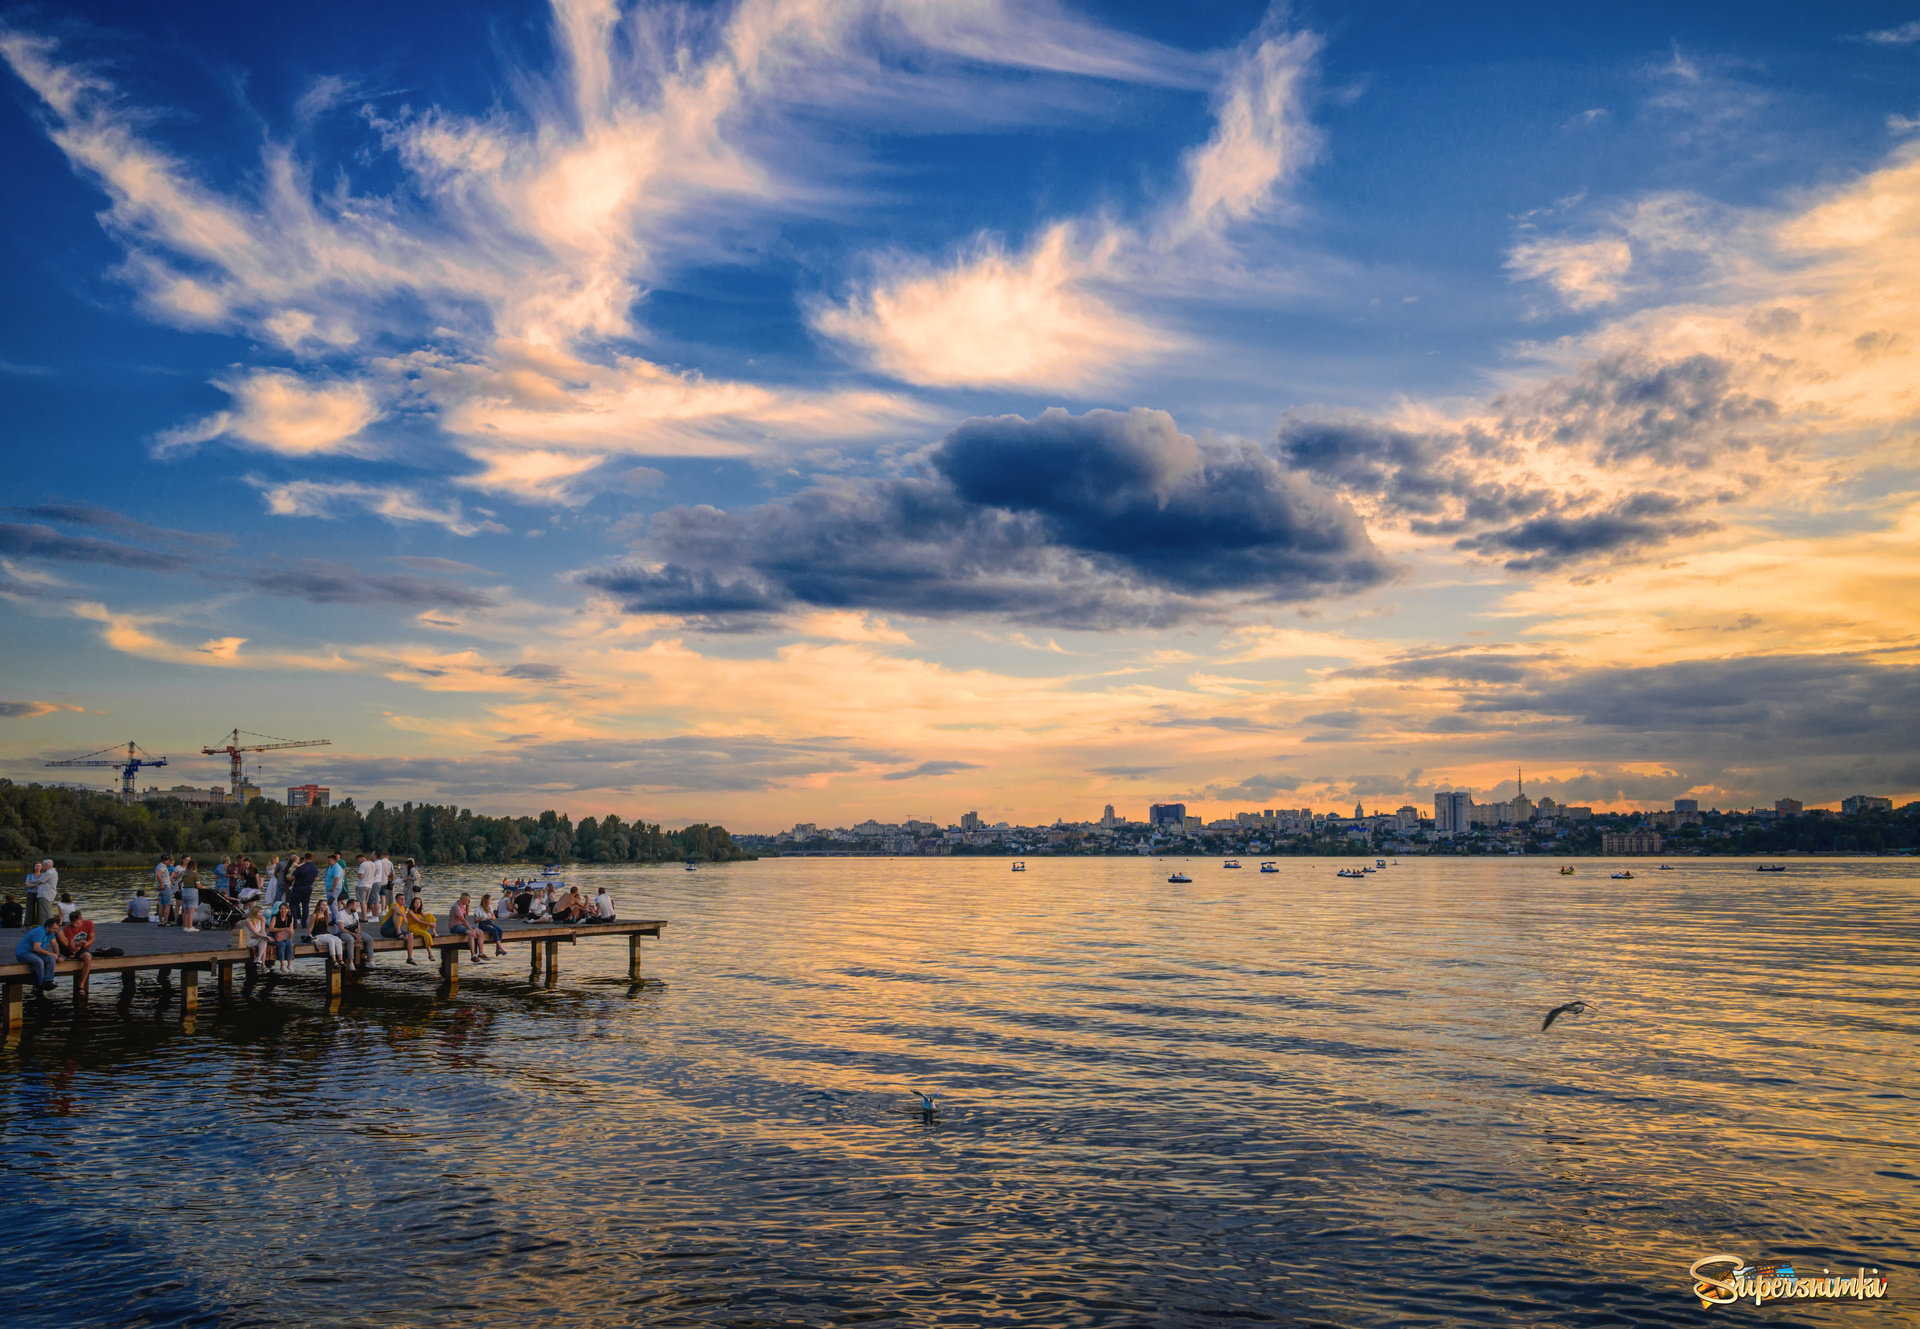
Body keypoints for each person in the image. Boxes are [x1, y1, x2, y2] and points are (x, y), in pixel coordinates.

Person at [14, 918, 60, 991]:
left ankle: (48, 980)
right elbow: (36, 948)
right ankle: (40, 983)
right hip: (24, 953)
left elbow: (54, 943)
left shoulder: (51, 932)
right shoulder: (40, 932)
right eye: (54, 929)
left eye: (57, 928)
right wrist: (51, 953)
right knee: (39, 961)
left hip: (35, 953)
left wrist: (57, 956)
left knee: (51, 959)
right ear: (47, 927)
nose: (56, 930)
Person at [57, 909, 94, 997]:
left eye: (77, 923)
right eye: (73, 923)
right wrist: (74, 948)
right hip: (69, 948)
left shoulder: (89, 924)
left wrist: (86, 943)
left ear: (82, 919)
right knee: (59, 933)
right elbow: (70, 945)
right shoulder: (68, 928)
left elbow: (92, 939)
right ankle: (71, 955)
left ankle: (81, 985)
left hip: (82, 947)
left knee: (88, 957)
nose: (75, 925)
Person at [447, 893, 487, 962]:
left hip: (462, 925)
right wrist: (471, 929)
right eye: (468, 900)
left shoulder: (462, 905)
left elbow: (466, 914)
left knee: (480, 932)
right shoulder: (456, 906)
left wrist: (467, 906)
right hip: (455, 926)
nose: (469, 901)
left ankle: (481, 953)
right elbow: (463, 919)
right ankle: (473, 955)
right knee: (471, 933)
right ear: (463, 899)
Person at [288, 853, 319, 930]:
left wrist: (289, 876)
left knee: (294, 905)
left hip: (298, 887)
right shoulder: (315, 868)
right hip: (309, 887)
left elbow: (292, 877)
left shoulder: (301, 867)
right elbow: (315, 878)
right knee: (306, 905)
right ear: (311, 859)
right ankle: (304, 923)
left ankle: (294, 923)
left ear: (304, 858)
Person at [244, 904, 271, 970]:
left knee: (264, 940)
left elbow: (262, 931)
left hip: (258, 937)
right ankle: (263, 965)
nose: (260, 914)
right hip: (250, 939)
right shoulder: (248, 920)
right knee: (264, 940)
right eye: (259, 912)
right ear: (254, 913)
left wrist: (265, 936)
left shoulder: (262, 918)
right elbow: (254, 932)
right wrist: (266, 937)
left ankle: (260, 959)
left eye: (261, 912)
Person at [178, 857, 201, 932]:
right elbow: (198, 886)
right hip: (192, 891)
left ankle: (185, 926)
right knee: (191, 911)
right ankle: (190, 926)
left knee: (185, 911)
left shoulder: (184, 873)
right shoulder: (195, 874)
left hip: (185, 891)